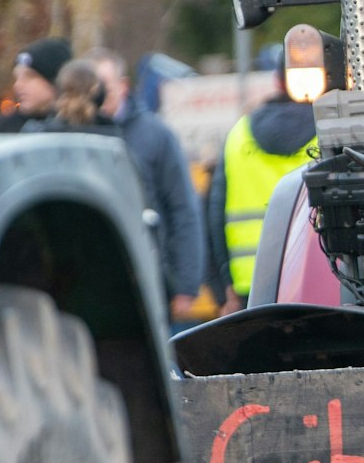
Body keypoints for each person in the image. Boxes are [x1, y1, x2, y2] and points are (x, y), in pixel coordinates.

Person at [89, 49, 207, 322]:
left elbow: (183, 208)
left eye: (103, 88)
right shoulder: (79, 136)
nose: (97, 97)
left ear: (123, 86)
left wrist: (186, 285)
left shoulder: (155, 135)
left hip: (152, 280)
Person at [208, 47, 317, 309]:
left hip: (253, 283)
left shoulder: (239, 134)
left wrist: (223, 285)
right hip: (321, 275)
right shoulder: (331, 132)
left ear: (278, 81)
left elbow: (214, 214)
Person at [0, 37, 73, 133]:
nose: (18, 85)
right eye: (16, 78)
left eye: (29, 77)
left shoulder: (80, 124)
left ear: (56, 81)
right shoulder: (8, 127)